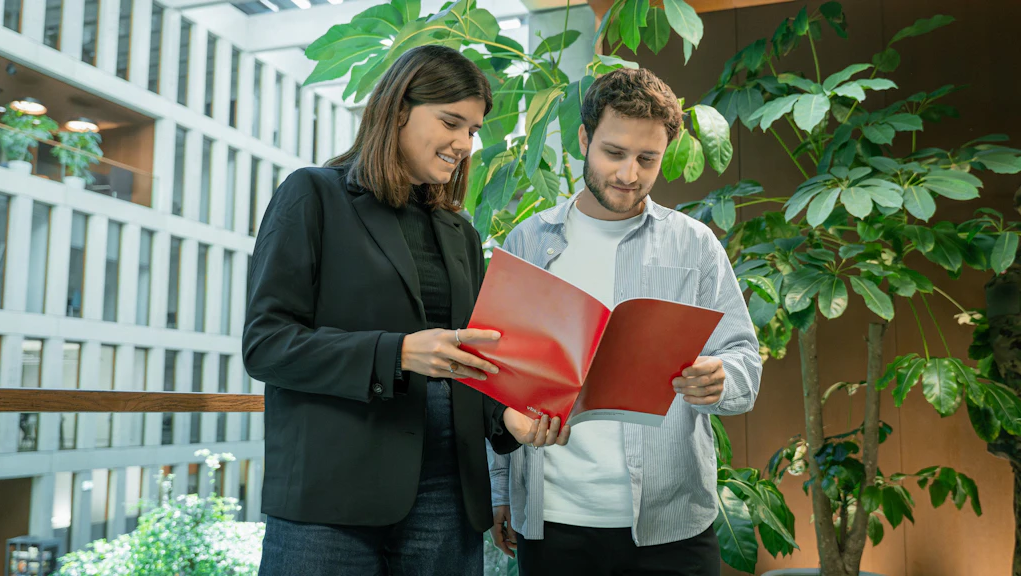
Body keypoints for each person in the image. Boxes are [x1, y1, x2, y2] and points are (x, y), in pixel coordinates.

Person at [243, 45, 569, 576]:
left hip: (448, 495)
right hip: (333, 497)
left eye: (473, 130)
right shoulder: (313, 195)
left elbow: (472, 360)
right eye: (451, 122)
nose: (464, 144)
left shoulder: (460, 231)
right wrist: (397, 353)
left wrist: (510, 420)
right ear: (397, 110)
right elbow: (266, 344)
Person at [487, 68, 762, 576]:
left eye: (647, 159)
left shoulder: (695, 245)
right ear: (584, 138)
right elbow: (500, 380)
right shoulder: (526, 243)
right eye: (614, 153)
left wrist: (722, 379)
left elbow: (744, 358)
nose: (629, 174)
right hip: (554, 521)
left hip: (672, 522)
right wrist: (500, 489)